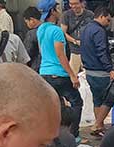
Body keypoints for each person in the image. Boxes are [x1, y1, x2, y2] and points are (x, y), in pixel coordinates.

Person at [35, 0, 83, 138]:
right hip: (59, 74)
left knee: (54, 105)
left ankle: (53, 134)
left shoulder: (41, 29)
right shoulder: (57, 31)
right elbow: (60, 54)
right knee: (77, 102)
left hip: (44, 73)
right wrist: (72, 74)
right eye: (57, 7)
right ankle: (73, 135)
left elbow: (42, 52)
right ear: (53, 11)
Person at [81, 6, 114, 137]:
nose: (108, 24)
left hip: (89, 70)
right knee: (108, 99)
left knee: (97, 99)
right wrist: (110, 69)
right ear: (102, 16)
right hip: (100, 71)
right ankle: (97, 124)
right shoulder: (99, 31)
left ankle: (99, 126)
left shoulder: (85, 29)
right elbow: (101, 51)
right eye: (108, 20)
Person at [61, 0, 92, 74]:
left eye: (76, 4)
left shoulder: (90, 14)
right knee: (73, 76)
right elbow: (63, 33)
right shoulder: (66, 15)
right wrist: (75, 41)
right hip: (74, 51)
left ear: (82, 3)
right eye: (71, 4)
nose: (73, 6)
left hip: (88, 51)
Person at [22, 6, 43, 72]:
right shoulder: (49, 29)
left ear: (32, 20)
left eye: (27, 22)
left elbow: (26, 54)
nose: (27, 25)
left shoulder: (31, 34)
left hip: (37, 67)